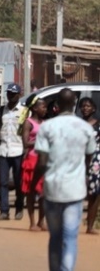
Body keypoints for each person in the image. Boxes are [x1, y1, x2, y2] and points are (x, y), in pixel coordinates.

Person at [31, 88, 96, 271]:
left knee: (55, 237)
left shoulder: (47, 127)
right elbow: (89, 157)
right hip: (74, 191)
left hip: (52, 189)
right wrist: (82, 175)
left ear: (57, 105)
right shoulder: (85, 128)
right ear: (74, 103)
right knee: (69, 237)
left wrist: (33, 182)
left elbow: (42, 162)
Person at [0, 83, 25, 221]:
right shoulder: (2, 110)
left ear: (19, 95)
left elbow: (26, 130)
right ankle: (4, 211)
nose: (10, 96)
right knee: (2, 182)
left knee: (18, 182)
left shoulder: (23, 111)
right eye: (8, 93)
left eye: (13, 93)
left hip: (19, 150)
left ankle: (19, 208)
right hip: (4, 150)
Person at [19, 94, 47, 231]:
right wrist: (40, 141)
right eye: (42, 106)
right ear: (35, 108)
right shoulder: (28, 123)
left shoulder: (45, 123)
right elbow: (25, 143)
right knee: (31, 192)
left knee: (44, 193)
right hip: (32, 159)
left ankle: (42, 221)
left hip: (44, 159)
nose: (45, 109)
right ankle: (32, 222)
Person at [79, 97, 100, 235]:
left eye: (88, 106)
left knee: (94, 194)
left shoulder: (98, 124)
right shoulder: (77, 124)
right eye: (83, 106)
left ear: (93, 108)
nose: (85, 108)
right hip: (78, 160)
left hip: (95, 162)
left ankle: (90, 225)